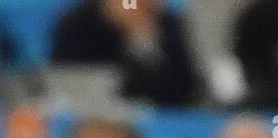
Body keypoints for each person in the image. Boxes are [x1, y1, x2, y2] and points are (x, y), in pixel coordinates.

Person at [50, 0, 200, 106]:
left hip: (161, 123)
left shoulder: (172, 27)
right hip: (92, 119)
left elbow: (182, 93)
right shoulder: (77, 26)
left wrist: (142, 40)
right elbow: (66, 81)